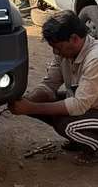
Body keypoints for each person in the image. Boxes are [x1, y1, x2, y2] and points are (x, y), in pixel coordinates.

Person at [9, 10, 98, 155]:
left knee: (68, 126)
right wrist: (28, 100)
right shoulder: (64, 53)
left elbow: (79, 105)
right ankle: (82, 140)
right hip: (90, 105)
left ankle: (94, 147)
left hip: (90, 107)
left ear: (74, 39)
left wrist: (31, 108)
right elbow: (50, 85)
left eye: (58, 47)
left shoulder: (95, 58)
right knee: (42, 102)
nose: (56, 52)